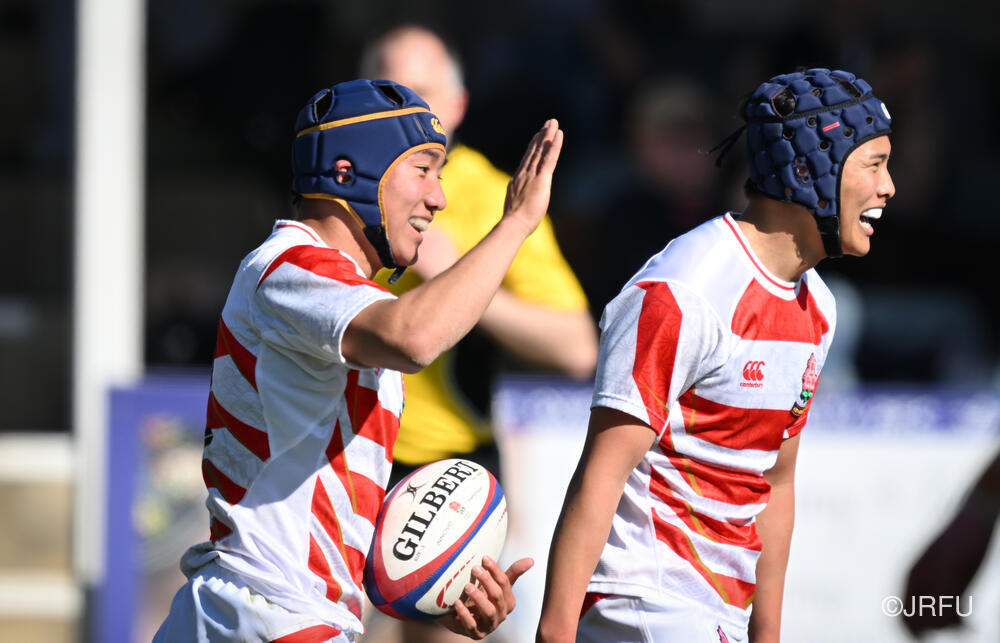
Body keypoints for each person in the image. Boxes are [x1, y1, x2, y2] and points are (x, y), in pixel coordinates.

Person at [153, 78, 564, 642]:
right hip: (268, 615)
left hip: (274, 614)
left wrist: (433, 584)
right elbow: (416, 338)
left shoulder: (349, 305)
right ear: (346, 174)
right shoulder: (291, 264)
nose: (438, 199)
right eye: (423, 171)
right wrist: (514, 223)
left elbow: (324, 520)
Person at [536, 68, 895, 643]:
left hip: (716, 614)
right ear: (808, 169)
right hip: (645, 604)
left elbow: (775, 480)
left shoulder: (818, 307)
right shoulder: (683, 291)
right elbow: (603, 472)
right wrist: (555, 634)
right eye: (874, 165)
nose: (889, 187)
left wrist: (767, 635)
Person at [358, 26, 598, 500]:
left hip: (445, 467)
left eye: (421, 93)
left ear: (458, 105)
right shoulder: (335, 187)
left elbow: (576, 349)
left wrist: (460, 278)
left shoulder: (495, 198)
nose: (404, 110)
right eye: (389, 94)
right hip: (336, 453)